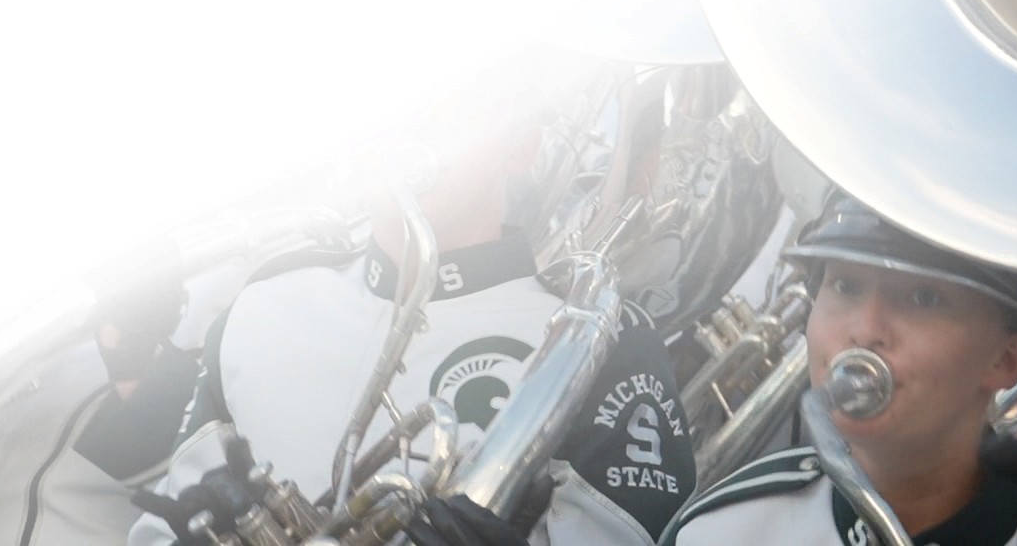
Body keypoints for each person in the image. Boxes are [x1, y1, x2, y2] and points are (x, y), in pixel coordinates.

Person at [129, 57, 697, 546]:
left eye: (454, 109)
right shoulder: (259, 306)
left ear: (522, 143)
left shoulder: (602, 341)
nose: (415, 131)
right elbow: (158, 526)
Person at [661, 193, 1017, 546]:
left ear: (1005, 361)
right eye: (846, 285)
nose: (866, 330)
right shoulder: (720, 532)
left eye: (924, 297)